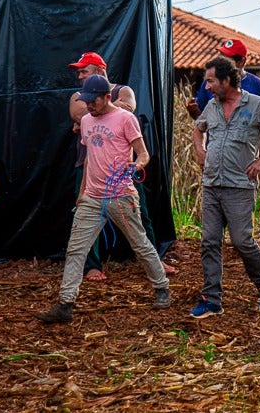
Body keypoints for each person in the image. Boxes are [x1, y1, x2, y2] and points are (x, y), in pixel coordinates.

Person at [37, 74, 170, 323]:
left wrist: (135, 165)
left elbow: (143, 154)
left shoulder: (125, 119)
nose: (88, 105)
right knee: (76, 249)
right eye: (86, 100)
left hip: (121, 196)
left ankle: (161, 287)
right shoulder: (86, 121)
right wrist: (82, 192)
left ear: (107, 97)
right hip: (92, 198)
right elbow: (88, 157)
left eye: (93, 101)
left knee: (140, 244)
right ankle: (65, 304)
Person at [190, 57, 260, 319]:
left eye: (211, 81)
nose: (207, 86)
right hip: (212, 184)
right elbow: (197, 128)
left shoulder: (255, 105)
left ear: (226, 80)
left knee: (242, 241)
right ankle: (211, 299)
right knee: (209, 242)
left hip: (239, 186)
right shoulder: (211, 106)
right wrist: (200, 150)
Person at [67, 51, 177, 280]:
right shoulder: (78, 96)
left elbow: (127, 107)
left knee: (140, 214)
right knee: (88, 218)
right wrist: (100, 109)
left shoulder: (123, 90)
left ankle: (154, 260)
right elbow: (79, 114)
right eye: (77, 72)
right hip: (89, 164)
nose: (79, 77)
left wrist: (100, 111)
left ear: (99, 70)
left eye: (83, 71)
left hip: (123, 170)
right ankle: (92, 266)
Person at [185, 38, 260, 120]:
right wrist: (194, 112)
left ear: (241, 62)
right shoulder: (210, 83)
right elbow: (201, 121)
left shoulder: (258, 86)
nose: (221, 63)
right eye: (221, 58)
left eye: (226, 60)